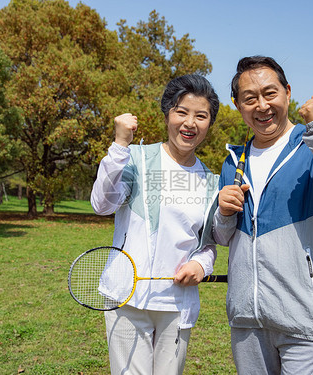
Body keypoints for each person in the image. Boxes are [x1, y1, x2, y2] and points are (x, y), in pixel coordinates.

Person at [213, 56, 313, 374]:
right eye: (250, 98)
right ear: (237, 104)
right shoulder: (233, 162)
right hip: (247, 321)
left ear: (288, 92)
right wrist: (223, 211)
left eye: (270, 93)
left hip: (304, 321)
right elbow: (223, 237)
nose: (262, 106)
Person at [90, 74, 220, 374]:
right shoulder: (135, 158)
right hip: (127, 299)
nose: (190, 123)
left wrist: (202, 266)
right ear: (167, 115)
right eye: (181, 112)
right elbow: (102, 204)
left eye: (201, 116)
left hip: (177, 305)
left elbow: (207, 243)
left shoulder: (211, 181)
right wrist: (120, 144)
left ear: (208, 125)